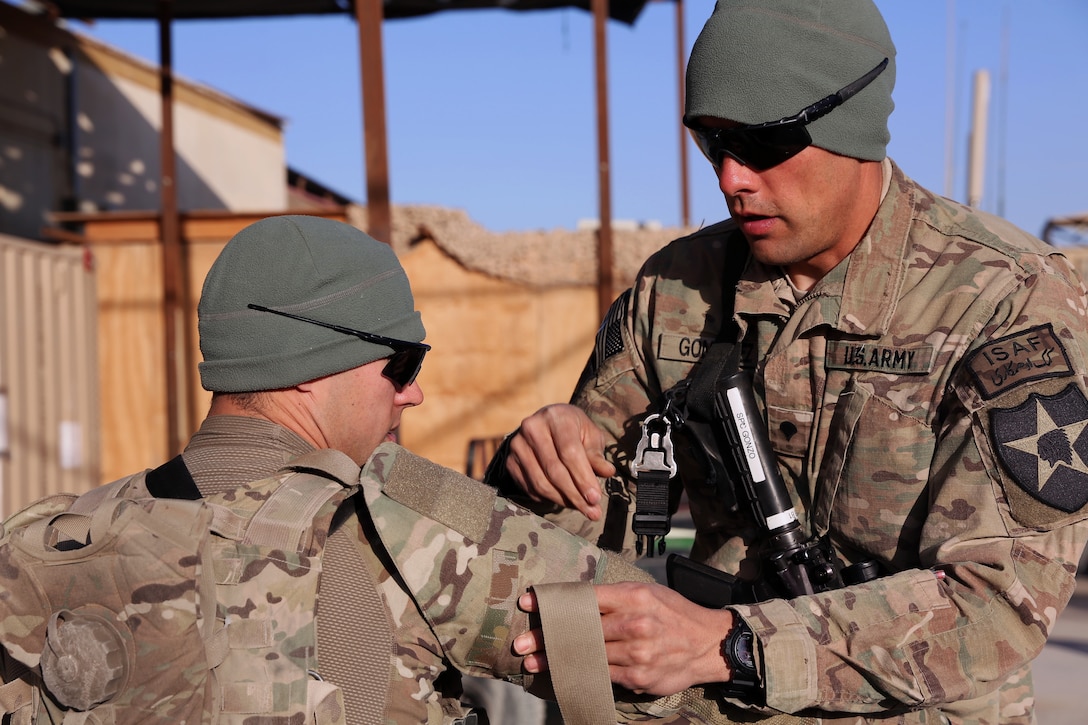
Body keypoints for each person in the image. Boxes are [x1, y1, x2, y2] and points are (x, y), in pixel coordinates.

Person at [491, 1, 1088, 722]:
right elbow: (587, 512)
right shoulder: (678, 288)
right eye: (712, 143)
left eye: (762, 144)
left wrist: (734, 644)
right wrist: (546, 456)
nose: (731, 178)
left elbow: (995, 603)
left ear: (852, 126)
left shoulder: (1006, 300)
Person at [3, 214, 663, 725]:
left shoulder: (47, 543)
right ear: (312, 365)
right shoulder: (413, 522)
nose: (413, 393)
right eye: (402, 364)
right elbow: (663, 645)